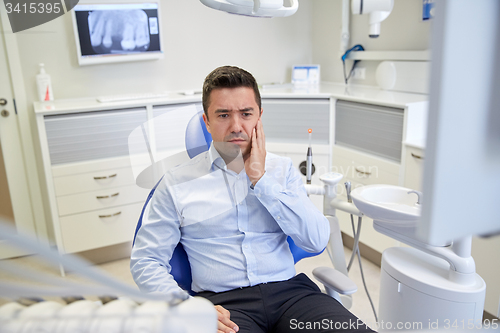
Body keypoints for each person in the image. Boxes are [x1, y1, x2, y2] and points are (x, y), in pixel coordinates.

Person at [131, 66, 374, 333]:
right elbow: (146, 260)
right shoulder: (176, 183)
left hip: (292, 295)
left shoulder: (281, 170)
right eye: (223, 115)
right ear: (207, 122)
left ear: (259, 116)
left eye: (246, 114)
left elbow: (316, 240)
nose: (237, 126)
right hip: (223, 304)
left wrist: (261, 180)